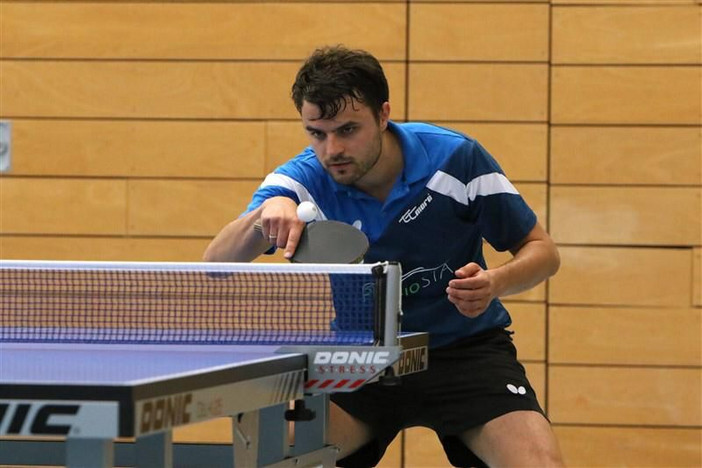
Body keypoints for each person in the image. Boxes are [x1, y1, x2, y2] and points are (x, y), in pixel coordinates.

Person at [204, 45, 564, 467]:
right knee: (275, 460)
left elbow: (543, 251)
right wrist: (265, 214)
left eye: (347, 130)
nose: (331, 149)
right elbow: (214, 265)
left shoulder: (454, 159)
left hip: (464, 351)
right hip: (360, 360)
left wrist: (495, 283)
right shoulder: (302, 181)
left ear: (383, 115)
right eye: (317, 133)